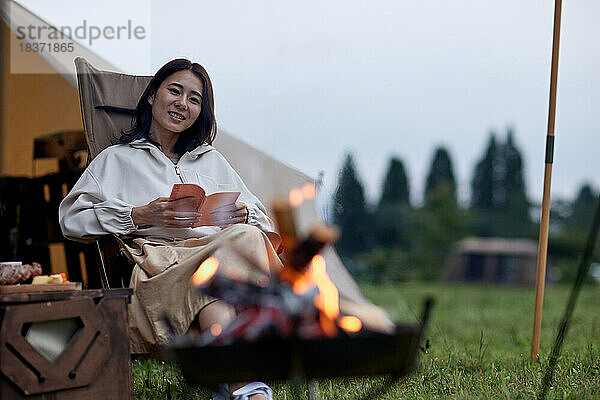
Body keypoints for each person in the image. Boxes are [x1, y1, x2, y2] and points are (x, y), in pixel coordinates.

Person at [59, 59, 280, 400]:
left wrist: (242, 213)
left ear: (200, 111)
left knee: (231, 261)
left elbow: (263, 222)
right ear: (152, 96)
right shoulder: (116, 159)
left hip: (216, 266)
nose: (183, 103)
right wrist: (138, 216)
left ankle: (244, 390)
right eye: (174, 91)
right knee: (241, 248)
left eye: (195, 99)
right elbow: (70, 219)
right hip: (159, 270)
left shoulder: (211, 160)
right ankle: (271, 360)